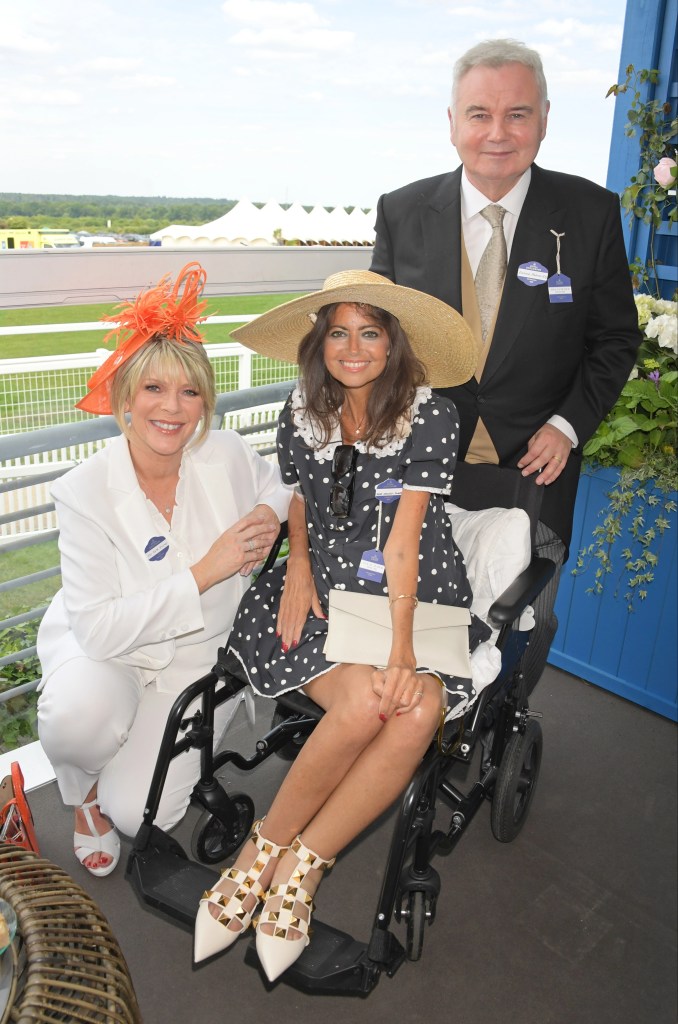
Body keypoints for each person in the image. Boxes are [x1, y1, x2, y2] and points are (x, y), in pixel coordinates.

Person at [193, 268, 497, 981]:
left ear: (393, 343)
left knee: (413, 704)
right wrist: (296, 562)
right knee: (372, 704)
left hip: (412, 593)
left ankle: (295, 868)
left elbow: (405, 544)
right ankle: (262, 859)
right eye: (339, 332)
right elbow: (299, 495)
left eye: (370, 332)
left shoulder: (430, 415)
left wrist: (400, 652)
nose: (353, 347)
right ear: (320, 342)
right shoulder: (303, 409)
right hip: (324, 587)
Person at [369, 38, 642, 694]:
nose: (497, 133)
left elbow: (615, 339)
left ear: (544, 119)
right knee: (413, 613)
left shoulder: (589, 214)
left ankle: (496, 715)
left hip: (534, 468)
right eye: (479, 114)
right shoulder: (402, 213)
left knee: (522, 620)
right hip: (421, 467)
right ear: (453, 122)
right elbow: (373, 342)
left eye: (517, 114)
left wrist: (569, 426)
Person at [36, 263, 292, 877]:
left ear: (206, 400)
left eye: (189, 392)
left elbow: (284, 484)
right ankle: (81, 794)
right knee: (76, 720)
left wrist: (265, 512)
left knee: (139, 814)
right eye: (153, 389)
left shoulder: (223, 452)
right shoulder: (83, 492)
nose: (172, 410)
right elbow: (97, 631)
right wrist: (206, 572)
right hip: (110, 649)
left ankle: (116, 789)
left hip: (195, 655)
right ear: (124, 396)